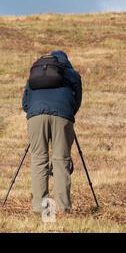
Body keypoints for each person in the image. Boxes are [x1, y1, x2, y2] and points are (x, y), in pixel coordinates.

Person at [22, 51, 82, 214]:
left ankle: (39, 208)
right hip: (63, 116)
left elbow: (25, 101)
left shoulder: (36, 72)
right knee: (61, 161)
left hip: (35, 117)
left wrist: (33, 113)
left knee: (38, 159)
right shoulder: (70, 73)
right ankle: (63, 208)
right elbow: (77, 100)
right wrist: (68, 114)